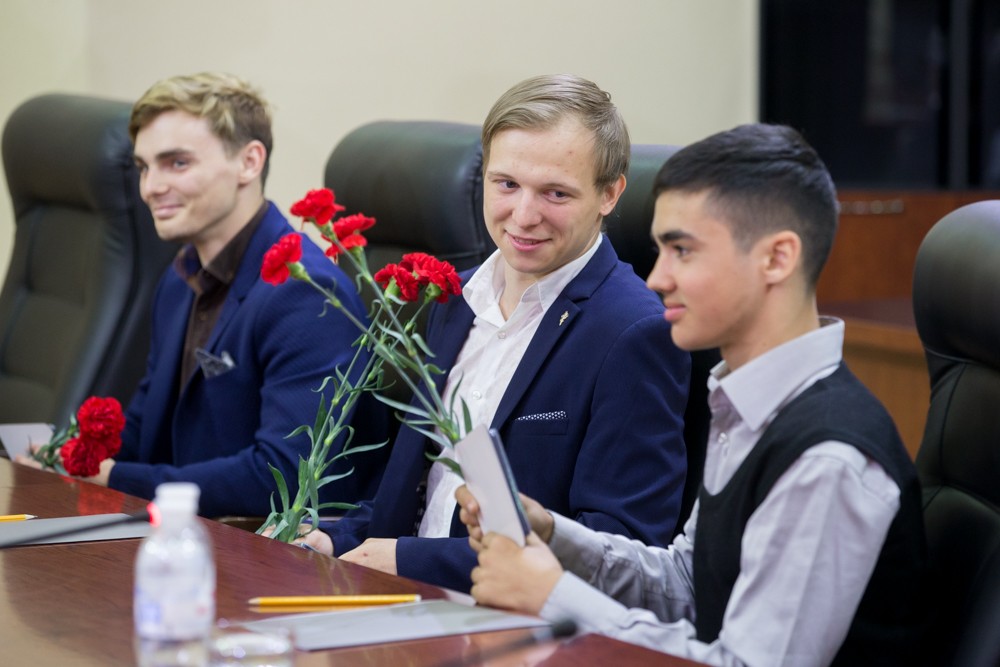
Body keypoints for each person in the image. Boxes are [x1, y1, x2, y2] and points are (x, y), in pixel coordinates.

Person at [457, 123, 926, 666]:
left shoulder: (827, 459)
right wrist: (555, 537)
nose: (657, 278)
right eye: (661, 250)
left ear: (777, 259)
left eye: (683, 250)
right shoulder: (747, 404)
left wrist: (552, 595)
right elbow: (687, 582)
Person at [299, 74, 691, 593]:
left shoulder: (634, 332)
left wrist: (412, 561)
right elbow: (425, 494)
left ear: (609, 194)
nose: (523, 216)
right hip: (396, 601)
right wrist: (339, 537)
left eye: (555, 193)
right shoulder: (452, 299)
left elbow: (617, 546)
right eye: (506, 184)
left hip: (511, 617)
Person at [19, 73, 387, 517]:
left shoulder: (305, 294)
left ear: (249, 162)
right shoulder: (180, 278)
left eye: (177, 163)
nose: (150, 187)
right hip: (190, 527)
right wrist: (67, 461)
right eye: (143, 167)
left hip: (265, 543)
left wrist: (116, 478)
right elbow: (147, 424)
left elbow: (282, 476)